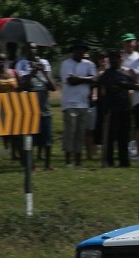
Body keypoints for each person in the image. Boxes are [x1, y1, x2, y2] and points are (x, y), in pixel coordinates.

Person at [17, 42, 56, 170]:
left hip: (44, 104)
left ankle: (47, 163)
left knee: (47, 136)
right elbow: (22, 85)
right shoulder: (21, 64)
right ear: (25, 51)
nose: (32, 51)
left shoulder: (44, 63)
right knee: (30, 137)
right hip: (29, 105)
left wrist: (43, 71)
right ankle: (31, 164)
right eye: (29, 49)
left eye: (34, 48)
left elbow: (52, 87)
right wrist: (32, 72)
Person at [60, 39, 97, 168]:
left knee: (80, 133)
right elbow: (70, 80)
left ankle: (78, 160)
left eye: (83, 50)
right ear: (74, 51)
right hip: (70, 103)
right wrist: (86, 79)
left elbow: (94, 79)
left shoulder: (89, 64)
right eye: (78, 50)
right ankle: (68, 160)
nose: (81, 52)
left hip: (84, 103)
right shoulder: (66, 64)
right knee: (70, 132)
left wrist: (79, 78)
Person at [97, 49, 136, 167]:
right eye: (113, 58)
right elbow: (107, 86)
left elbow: (131, 84)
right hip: (112, 109)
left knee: (124, 136)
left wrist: (121, 84)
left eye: (118, 58)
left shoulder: (124, 73)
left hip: (125, 107)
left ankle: (124, 161)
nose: (116, 60)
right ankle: (108, 161)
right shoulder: (107, 74)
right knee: (110, 137)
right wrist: (122, 85)